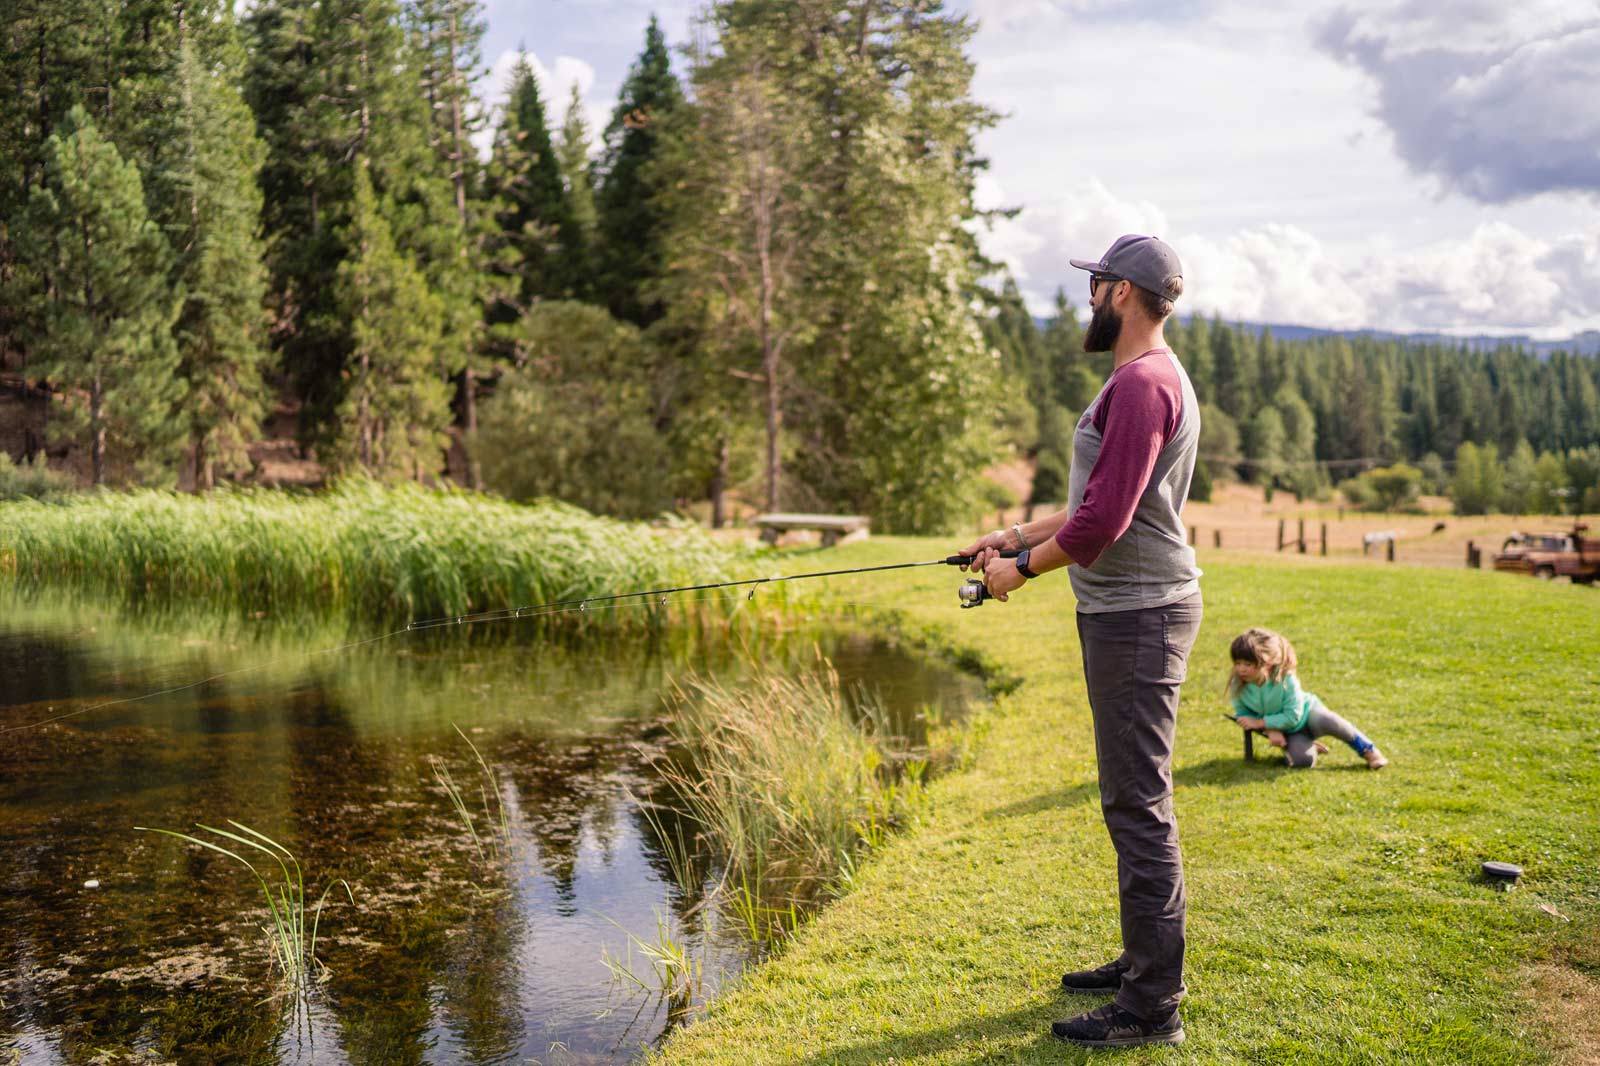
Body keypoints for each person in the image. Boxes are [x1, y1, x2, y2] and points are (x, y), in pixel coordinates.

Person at [960, 234, 1200, 1048]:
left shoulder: (1142, 384)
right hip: (1128, 613)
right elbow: (1093, 500)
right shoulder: (1142, 380)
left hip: (1139, 614)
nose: (1089, 297)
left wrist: (1020, 571)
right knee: (1131, 800)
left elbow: (1102, 525)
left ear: (1123, 293)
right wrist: (1010, 534)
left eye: (1097, 283)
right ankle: (1144, 964)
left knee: (1138, 807)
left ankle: (1151, 1007)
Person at [1227, 627, 1388, 769]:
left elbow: (1293, 716)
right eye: (1238, 663)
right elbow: (1243, 714)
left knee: (1331, 721)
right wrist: (1270, 729)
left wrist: (1262, 723)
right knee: (1302, 762)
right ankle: (1307, 746)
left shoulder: (1285, 679)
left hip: (1308, 716)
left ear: (1267, 663)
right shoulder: (1238, 683)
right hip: (1289, 730)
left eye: (1247, 665)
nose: (1241, 669)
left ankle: (1369, 751)